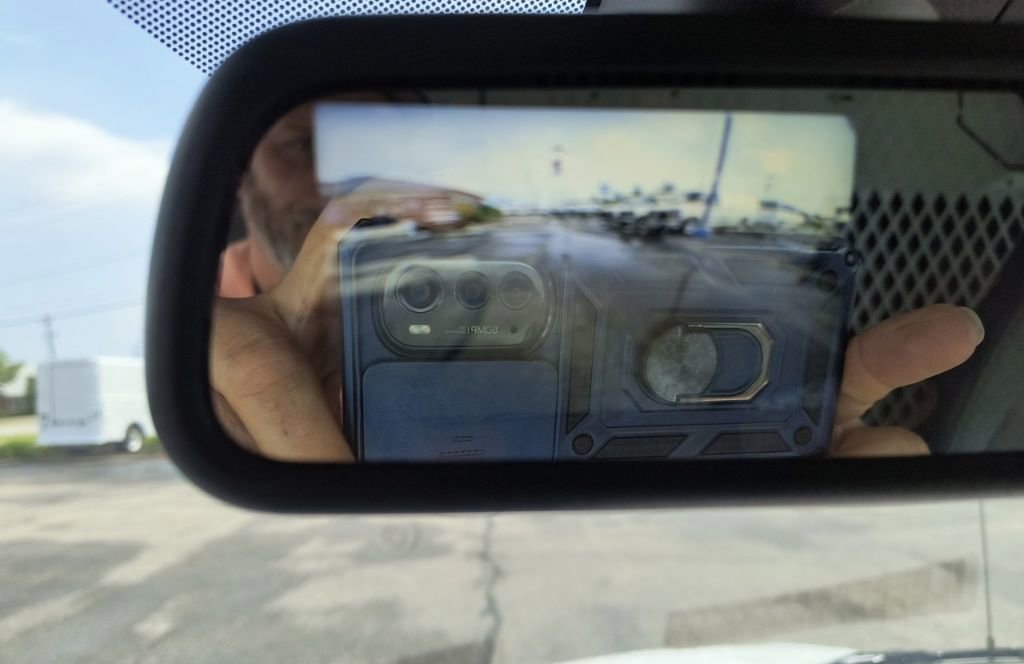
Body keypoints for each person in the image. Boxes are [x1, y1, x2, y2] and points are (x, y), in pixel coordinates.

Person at [211, 103, 986, 462]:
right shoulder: (203, 331)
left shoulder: (551, 280)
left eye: (379, 152)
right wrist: (227, 397)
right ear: (241, 179)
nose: (340, 182)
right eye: (298, 146)